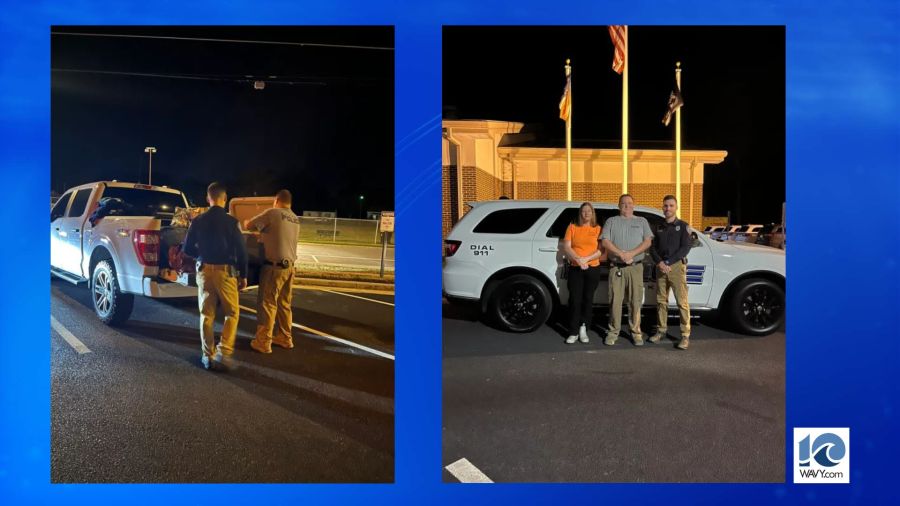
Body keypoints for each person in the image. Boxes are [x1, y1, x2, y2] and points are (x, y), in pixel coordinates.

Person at [183, 182, 248, 370]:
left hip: (204, 270)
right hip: (225, 272)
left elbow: (187, 248)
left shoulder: (198, 221)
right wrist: (243, 275)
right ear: (225, 199)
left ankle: (207, 355)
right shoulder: (231, 221)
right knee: (232, 313)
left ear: (208, 198)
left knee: (206, 314)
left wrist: (201, 255)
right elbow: (241, 250)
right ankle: (224, 351)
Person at [243, 189, 301, 354]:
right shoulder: (295, 218)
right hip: (289, 267)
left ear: (276, 200)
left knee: (267, 304)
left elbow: (248, 225)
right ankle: (285, 337)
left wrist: (247, 220)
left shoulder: (273, 213)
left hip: (273, 268)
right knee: (284, 304)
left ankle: (263, 341)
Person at [600, 194, 654, 346]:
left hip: (635, 267)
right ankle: (613, 332)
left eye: (630, 203)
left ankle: (636, 333)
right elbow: (605, 241)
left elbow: (648, 241)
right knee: (614, 301)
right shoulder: (611, 221)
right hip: (616, 267)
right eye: (623, 203)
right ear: (619, 205)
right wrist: (621, 254)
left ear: (633, 205)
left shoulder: (641, 221)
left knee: (635, 301)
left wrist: (631, 254)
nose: (627, 206)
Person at [648, 195, 692, 350]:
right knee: (661, 301)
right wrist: (660, 262)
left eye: (671, 205)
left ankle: (685, 335)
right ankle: (661, 331)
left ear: (676, 207)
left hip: (676, 267)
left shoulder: (683, 226)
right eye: (665, 205)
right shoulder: (658, 227)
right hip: (661, 268)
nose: (668, 208)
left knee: (682, 302)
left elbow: (685, 248)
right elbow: (652, 247)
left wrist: (668, 262)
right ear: (662, 207)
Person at [560, 202, 605, 344]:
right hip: (576, 267)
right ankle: (573, 332)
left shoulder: (598, 229)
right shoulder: (572, 227)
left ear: (593, 213)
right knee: (574, 299)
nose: (586, 213)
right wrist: (578, 259)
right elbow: (567, 247)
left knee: (588, 299)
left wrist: (586, 259)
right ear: (580, 213)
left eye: (589, 211)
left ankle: (583, 328)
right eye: (584, 211)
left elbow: (601, 250)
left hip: (592, 268)